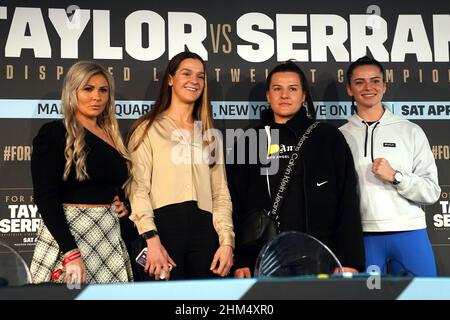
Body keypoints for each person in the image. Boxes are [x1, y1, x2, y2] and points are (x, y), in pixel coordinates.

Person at [229, 61, 365, 278]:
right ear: (268, 96)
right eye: (277, 89)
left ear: (303, 96)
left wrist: (348, 260)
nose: (285, 95)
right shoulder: (247, 141)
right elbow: (236, 205)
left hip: (321, 258)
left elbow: (347, 202)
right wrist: (241, 260)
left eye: (292, 89)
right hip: (264, 260)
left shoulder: (328, 138)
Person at [127, 51, 234, 280]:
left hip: (205, 234)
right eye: (186, 73)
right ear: (170, 79)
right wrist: (150, 238)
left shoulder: (210, 135)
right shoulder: (147, 129)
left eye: (200, 76)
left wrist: (227, 242)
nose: (194, 81)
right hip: (163, 231)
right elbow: (138, 189)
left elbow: (220, 194)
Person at [30, 61, 134, 285]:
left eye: (103, 90)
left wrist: (120, 203)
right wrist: (70, 252)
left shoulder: (112, 136)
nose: (97, 97)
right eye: (88, 88)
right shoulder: (54, 133)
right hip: (70, 236)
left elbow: (110, 184)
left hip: (107, 235)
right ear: (72, 91)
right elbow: (46, 198)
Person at [339, 56, 441, 276]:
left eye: (375, 81)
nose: (368, 87)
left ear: (384, 86)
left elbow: (432, 191)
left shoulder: (410, 131)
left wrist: (396, 176)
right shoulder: (339, 136)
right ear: (349, 89)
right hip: (362, 237)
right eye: (359, 82)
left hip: (410, 233)